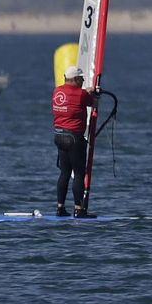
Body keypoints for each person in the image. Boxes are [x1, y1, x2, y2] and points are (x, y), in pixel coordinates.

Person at [52, 66, 97, 218]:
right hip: (74, 138)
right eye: (81, 79)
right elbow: (92, 102)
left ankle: (60, 208)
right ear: (75, 79)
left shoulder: (57, 91)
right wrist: (91, 92)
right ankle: (79, 209)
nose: (83, 81)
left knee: (64, 172)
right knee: (79, 173)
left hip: (59, 135)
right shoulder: (81, 94)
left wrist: (86, 92)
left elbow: (73, 99)